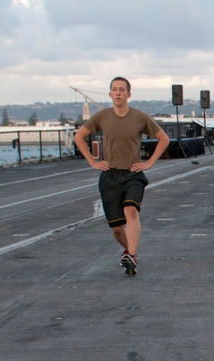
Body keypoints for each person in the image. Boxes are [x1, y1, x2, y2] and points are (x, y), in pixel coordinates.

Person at [73, 76, 169, 277]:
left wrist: (149, 163)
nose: (118, 92)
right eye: (114, 89)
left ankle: (132, 254)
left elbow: (163, 139)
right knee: (116, 229)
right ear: (110, 94)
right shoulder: (101, 117)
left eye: (122, 89)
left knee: (131, 210)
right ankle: (130, 253)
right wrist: (93, 162)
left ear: (128, 94)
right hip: (109, 175)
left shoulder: (140, 117)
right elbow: (79, 137)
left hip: (133, 174)